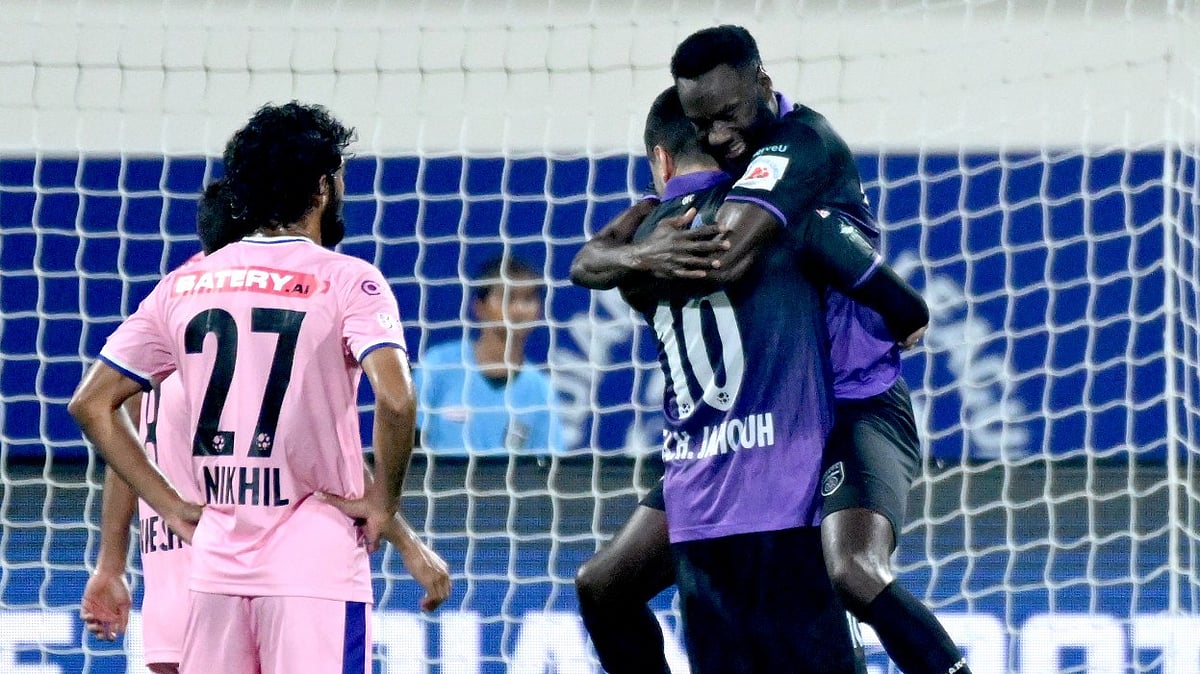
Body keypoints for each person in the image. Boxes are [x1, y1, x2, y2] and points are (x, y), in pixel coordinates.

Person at [573, 26, 970, 674]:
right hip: (759, 422)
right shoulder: (721, 182)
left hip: (853, 408)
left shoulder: (801, 146)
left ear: (763, 83)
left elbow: (720, 260)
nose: (722, 137)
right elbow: (596, 265)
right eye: (705, 127)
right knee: (604, 583)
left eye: (730, 117)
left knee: (854, 571)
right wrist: (633, 255)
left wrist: (627, 261)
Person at [69, 101, 448, 674]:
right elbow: (396, 399)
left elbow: (91, 404)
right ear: (322, 188)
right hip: (314, 568)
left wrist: (171, 506)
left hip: (215, 564)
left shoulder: (184, 284)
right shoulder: (349, 279)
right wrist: (383, 502)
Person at [415, 254, 566, 457]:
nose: (519, 309)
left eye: (529, 299)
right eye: (508, 298)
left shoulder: (540, 390)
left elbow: (549, 468)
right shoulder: (438, 366)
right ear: (479, 307)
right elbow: (405, 445)